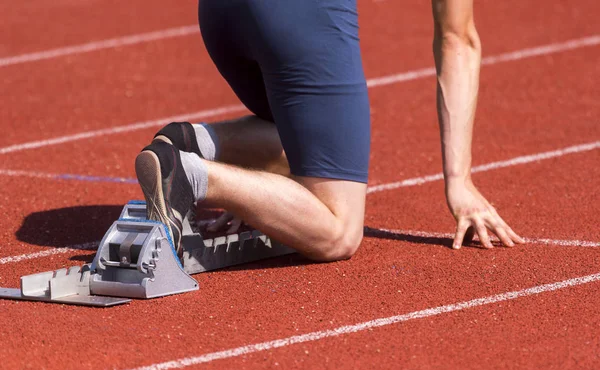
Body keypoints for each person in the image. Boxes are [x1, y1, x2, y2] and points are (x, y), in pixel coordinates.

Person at [135, 0, 524, 263]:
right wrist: (459, 180)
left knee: (304, 146)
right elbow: (457, 39)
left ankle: (197, 144)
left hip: (220, 15)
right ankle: (188, 175)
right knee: (338, 230)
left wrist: (260, 202)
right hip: (298, 18)